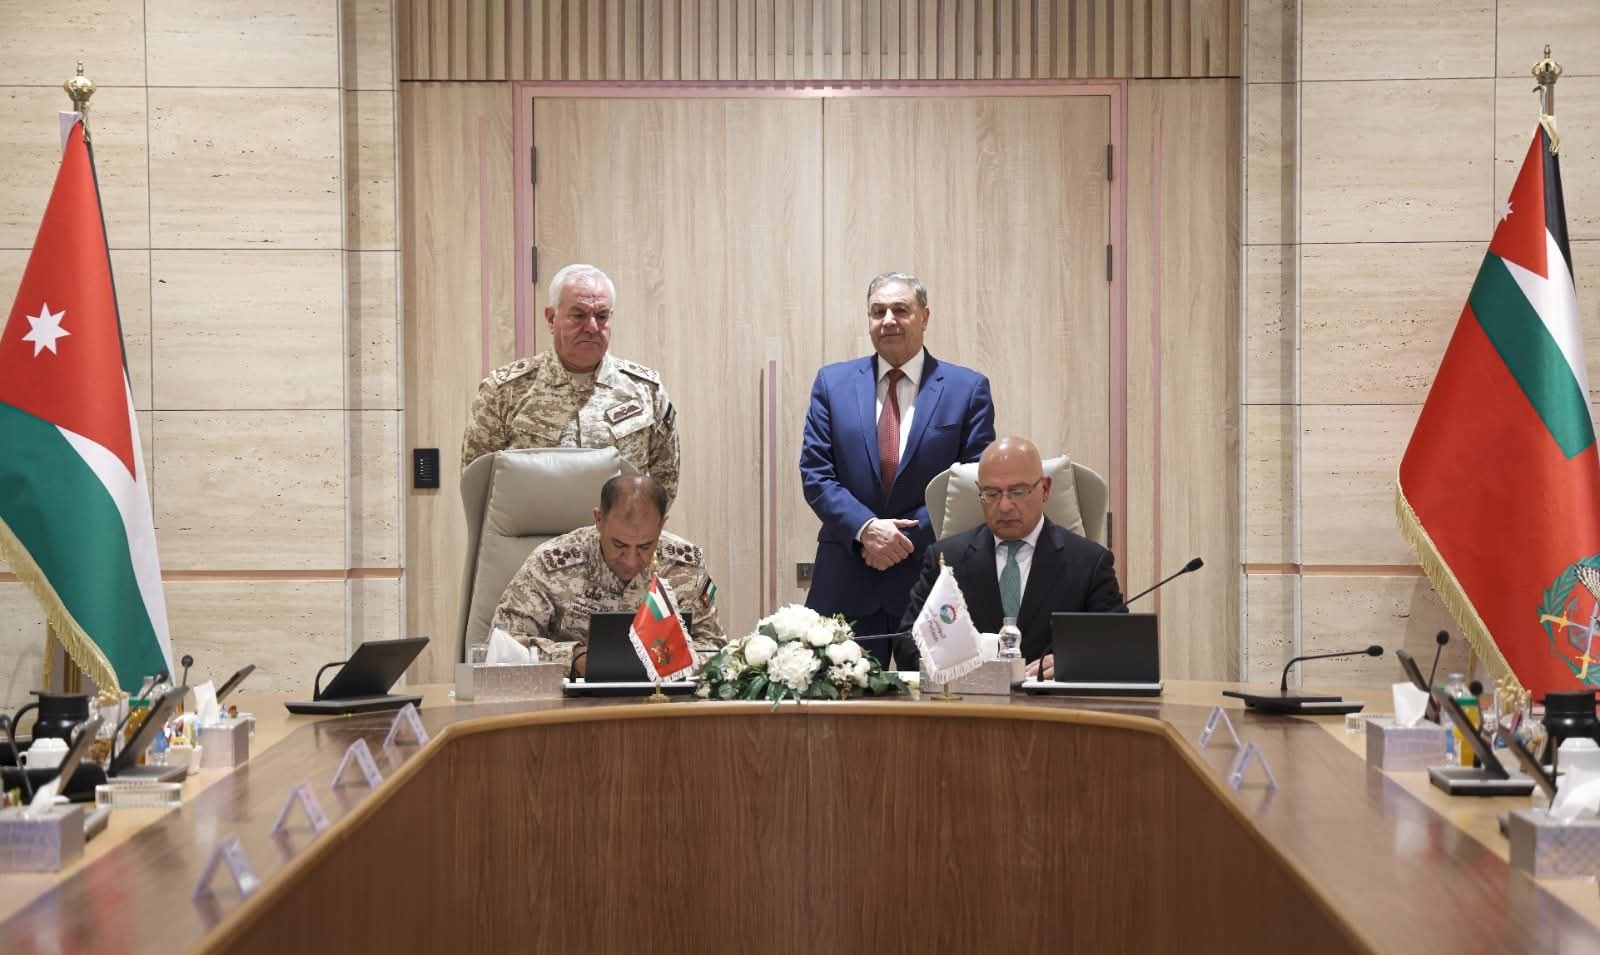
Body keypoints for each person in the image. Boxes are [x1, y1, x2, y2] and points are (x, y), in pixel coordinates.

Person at [799, 272, 996, 664]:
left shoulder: (967, 389)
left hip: (929, 582)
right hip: (847, 576)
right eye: (878, 312)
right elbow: (816, 473)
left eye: (900, 310)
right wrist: (866, 529)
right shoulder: (832, 383)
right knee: (838, 700)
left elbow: (971, 483)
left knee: (935, 700)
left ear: (924, 316)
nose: (888, 320)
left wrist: (898, 537)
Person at [899, 436, 1125, 679]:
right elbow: (906, 644)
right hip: (969, 698)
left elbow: (1120, 645)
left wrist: (1074, 661)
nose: (1004, 506)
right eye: (992, 493)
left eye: (1018, 492)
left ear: (1045, 489)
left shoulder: (1089, 563)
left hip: (1053, 700)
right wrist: (953, 664)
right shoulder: (945, 560)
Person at [460, 264, 682, 503]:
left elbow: (665, 479)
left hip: (619, 528)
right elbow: (477, 483)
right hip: (535, 526)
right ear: (551, 318)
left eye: (602, 316)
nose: (592, 327)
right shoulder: (505, 391)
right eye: (579, 315)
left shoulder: (646, 390)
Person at [491, 474, 723, 674]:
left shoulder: (685, 565)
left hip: (663, 700)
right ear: (599, 520)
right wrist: (573, 658)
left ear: (661, 525)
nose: (631, 560)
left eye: (645, 546)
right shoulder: (551, 563)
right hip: (571, 700)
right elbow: (504, 644)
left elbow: (714, 648)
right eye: (619, 545)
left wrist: (670, 659)